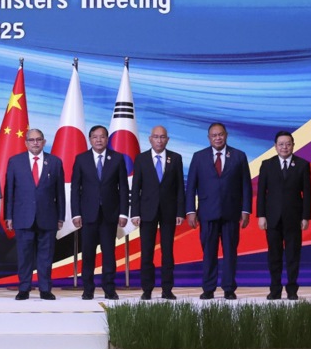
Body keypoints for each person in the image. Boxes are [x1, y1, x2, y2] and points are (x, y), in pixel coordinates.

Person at [185, 122, 252, 299]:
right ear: (209, 138)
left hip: (231, 212)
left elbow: (246, 186)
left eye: (220, 134)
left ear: (226, 135)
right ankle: (208, 288)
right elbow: (191, 186)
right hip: (207, 213)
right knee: (209, 253)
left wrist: (246, 210)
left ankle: (229, 288)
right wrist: (190, 211)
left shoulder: (239, 156)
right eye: (214, 135)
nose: (217, 138)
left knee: (230, 252)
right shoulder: (199, 157)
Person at [4, 129, 65, 300]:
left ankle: (45, 289)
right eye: (32, 140)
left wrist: (61, 216)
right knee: (24, 255)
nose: (35, 143)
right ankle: (24, 288)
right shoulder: (15, 162)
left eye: (39, 140)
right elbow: (10, 191)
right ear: (26, 142)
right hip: (23, 216)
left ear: (44, 142)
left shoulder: (55, 162)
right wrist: (8, 216)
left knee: (46, 256)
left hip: (48, 216)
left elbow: (60, 193)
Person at [70, 125, 129, 300]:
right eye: (95, 137)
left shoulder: (117, 158)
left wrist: (124, 213)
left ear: (107, 139)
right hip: (88, 215)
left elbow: (124, 188)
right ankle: (88, 289)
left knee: (109, 253)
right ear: (90, 139)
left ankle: (109, 289)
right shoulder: (81, 159)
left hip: (110, 215)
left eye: (102, 137)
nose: (98, 140)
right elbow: (75, 189)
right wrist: (76, 213)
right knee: (88, 253)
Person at [256, 130, 311, 300]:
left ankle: (292, 289)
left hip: (294, 217)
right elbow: (261, 192)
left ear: (293, 145)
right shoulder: (267, 164)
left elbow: (307, 193)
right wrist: (261, 215)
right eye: (281, 144)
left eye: (288, 144)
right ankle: (275, 289)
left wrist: (306, 216)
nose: (284, 147)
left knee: (293, 255)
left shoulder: (302, 164)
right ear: (275, 146)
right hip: (272, 218)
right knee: (274, 255)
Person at [130, 126, 184, 300]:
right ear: (150, 139)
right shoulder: (141, 159)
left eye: (162, 137)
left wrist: (180, 212)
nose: (159, 140)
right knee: (147, 252)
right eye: (156, 137)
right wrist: (135, 212)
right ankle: (147, 289)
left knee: (167, 252)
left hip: (169, 212)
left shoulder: (175, 158)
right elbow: (136, 187)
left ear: (167, 139)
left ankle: (167, 289)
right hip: (147, 212)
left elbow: (180, 189)